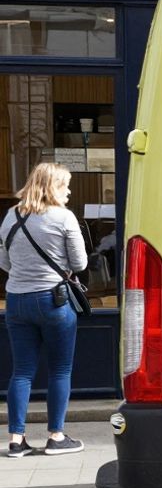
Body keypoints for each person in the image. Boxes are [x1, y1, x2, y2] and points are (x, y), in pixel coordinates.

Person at [0, 163, 88, 457]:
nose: (69, 191)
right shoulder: (64, 217)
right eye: (65, 186)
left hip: (16, 300)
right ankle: (56, 436)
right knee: (60, 369)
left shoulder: (10, 216)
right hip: (54, 300)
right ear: (52, 187)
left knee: (22, 371)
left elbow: (4, 262)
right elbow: (80, 264)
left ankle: (15, 441)